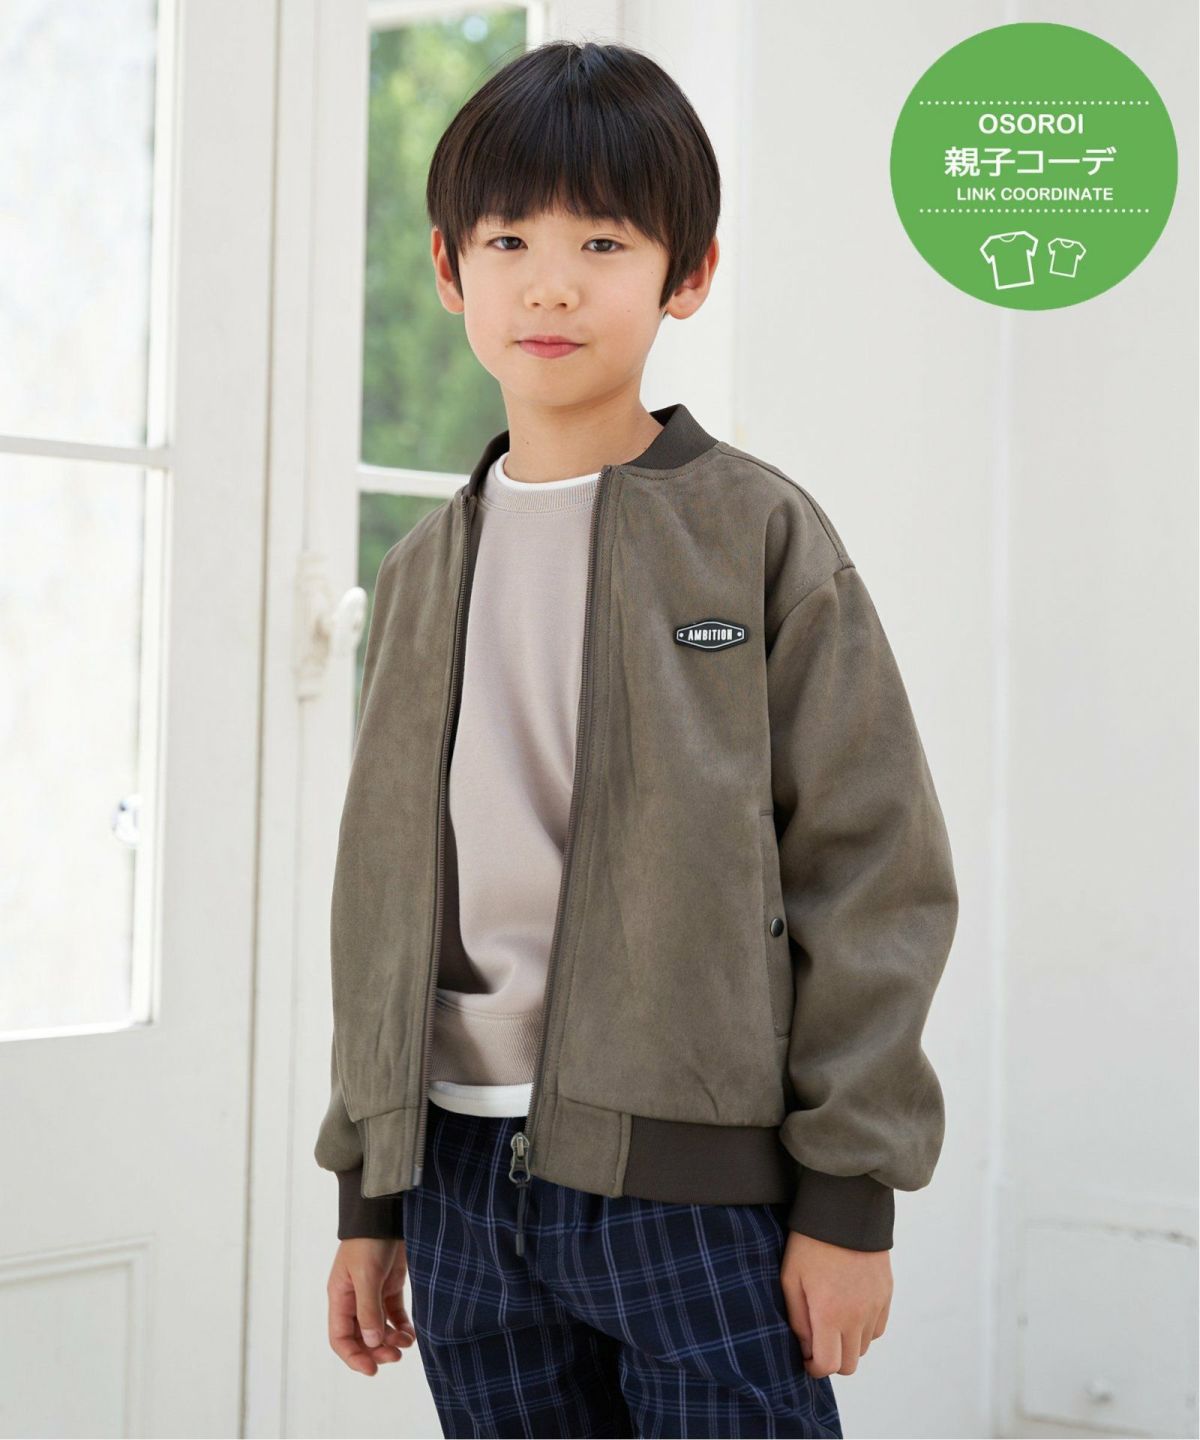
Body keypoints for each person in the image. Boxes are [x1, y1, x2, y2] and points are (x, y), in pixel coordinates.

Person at [316, 37, 958, 1440]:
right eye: (509, 241)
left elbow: (876, 871)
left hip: (700, 1191)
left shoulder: (759, 535)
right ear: (450, 272)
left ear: (690, 273)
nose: (551, 283)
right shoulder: (422, 574)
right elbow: (381, 897)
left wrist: (850, 1194)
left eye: (603, 241)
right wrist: (370, 1187)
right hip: (459, 1181)